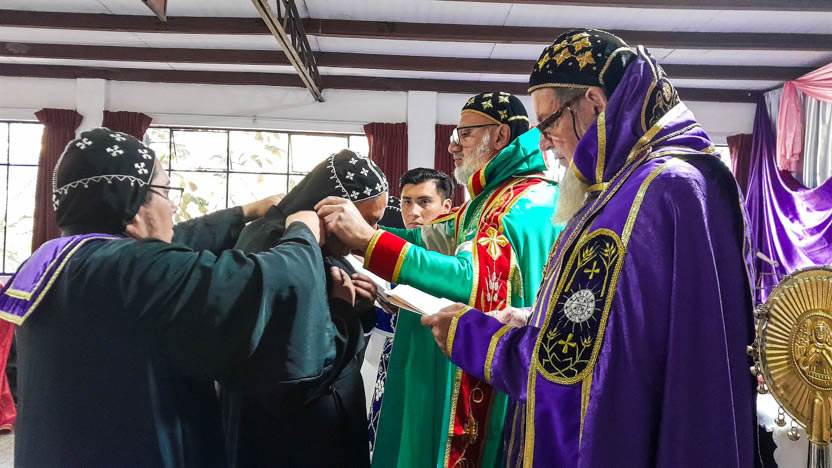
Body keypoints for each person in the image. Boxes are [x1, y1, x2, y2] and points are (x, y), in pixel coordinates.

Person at [422, 29, 757, 467]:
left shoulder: (645, 194)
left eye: (548, 122)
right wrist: (535, 317)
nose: (544, 141)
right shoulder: (669, 181)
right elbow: (633, 329)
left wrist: (472, 336)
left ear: (596, 105)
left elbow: (573, 375)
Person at [0, 127, 338, 467]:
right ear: (132, 207)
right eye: (164, 190)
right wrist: (302, 232)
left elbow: (179, 242)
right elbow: (268, 282)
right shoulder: (136, 269)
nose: (173, 205)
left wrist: (245, 212)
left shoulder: (52, 261)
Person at [317, 92, 561, 468]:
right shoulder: (492, 197)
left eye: (464, 134)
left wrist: (368, 240)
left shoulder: (520, 206)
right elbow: (426, 240)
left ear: (499, 136)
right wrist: (360, 237)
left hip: (502, 374)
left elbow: (472, 279)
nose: (452, 146)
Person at [226, 149, 387, 468]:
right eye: (362, 221)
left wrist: (359, 306)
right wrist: (343, 309)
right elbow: (300, 365)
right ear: (325, 208)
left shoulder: (314, 243)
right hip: (294, 436)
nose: (365, 236)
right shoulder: (278, 252)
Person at [365, 167, 455, 457]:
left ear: (446, 206)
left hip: (434, 366)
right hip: (383, 360)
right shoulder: (386, 247)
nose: (413, 211)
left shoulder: (456, 258)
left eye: (424, 202)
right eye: (406, 201)